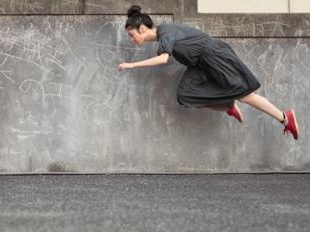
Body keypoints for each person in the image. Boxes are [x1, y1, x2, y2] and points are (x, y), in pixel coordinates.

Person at [118, 5, 300, 140]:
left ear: (142, 28)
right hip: (199, 65)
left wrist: (132, 65)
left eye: (132, 34)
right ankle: (228, 105)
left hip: (214, 55)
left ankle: (285, 117)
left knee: (245, 95)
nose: (132, 39)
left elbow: (163, 59)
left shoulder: (166, 32)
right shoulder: (163, 36)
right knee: (185, 95)